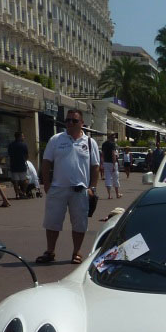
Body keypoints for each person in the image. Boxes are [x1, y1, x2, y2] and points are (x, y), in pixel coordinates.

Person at [36, 108, 99, 265]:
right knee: (52, 222)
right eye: (68, 120)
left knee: (79, 222)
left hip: (80, 190)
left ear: (82, 123)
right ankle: (50, 251)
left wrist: (92, 188)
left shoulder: (90, 143)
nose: (70, 123)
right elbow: (46, 162)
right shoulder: (56, 139)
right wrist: (47, 184)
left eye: (74, 120)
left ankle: (76, 252)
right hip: (58, 189)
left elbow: (95, 167)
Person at [7, 131, 29, 200]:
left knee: (15, 181)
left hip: (13, 165)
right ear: (19, 137)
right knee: (24, 180)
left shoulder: (11, 145)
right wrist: (24, 160)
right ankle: (24, 192)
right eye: (22, 136)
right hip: (22, 165)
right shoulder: (24, 145)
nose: (23, 137)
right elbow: (27, 156)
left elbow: (9, 154)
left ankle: (17, 195)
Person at [100, 132, 121, 199]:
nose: (114, 137)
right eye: (113, 136)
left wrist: (102, 163)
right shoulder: (112, 144)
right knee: (115, 178)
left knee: (108, 178)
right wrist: (114, 165)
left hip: (106, 163)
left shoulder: (104, 144)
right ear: (110, 137)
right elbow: (113, 154)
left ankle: (109, 195)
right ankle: (117, 194)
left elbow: (102, 155)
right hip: (112, 163)